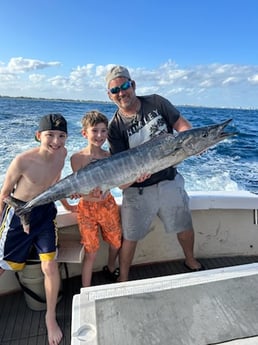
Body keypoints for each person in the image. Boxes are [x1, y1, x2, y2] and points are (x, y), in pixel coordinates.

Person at [106, 65, 204, 282]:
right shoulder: (114, 127)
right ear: (110, 94)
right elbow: (121, 166)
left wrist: (195, 141)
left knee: (184, 224)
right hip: (137, 189)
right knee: (130, 236)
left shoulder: (156, 102)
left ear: (133, 85)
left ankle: (190, 260)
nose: (121, 93)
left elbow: (181, 125)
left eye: (124, 86)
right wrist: (134, 177)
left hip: (169, 179)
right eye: (115, 90)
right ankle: (123, 277)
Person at [0, 113, 69, 345]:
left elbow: (56, 183)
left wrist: (69, 204)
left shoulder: (63, 154)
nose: (56, 142)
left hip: (45, 213)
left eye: (61, 136)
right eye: (50, 135)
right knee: (1, 267)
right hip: (17, 217)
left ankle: (50, 317)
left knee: (50, 266)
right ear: (39, 136)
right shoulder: (22, 161)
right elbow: (4, 194)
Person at [70, 110, 122, 287]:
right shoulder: (77, 158)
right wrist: (84, 195)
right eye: (94, 130)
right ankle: (86, 289)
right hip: (87, 210)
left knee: (116, 243)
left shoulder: (110, 156)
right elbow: (79, 189)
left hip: (108, 206)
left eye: (103, 131)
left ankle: (110, 266)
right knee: (91, 252)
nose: (99, 135)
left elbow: (115, 183)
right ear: (84, 133)